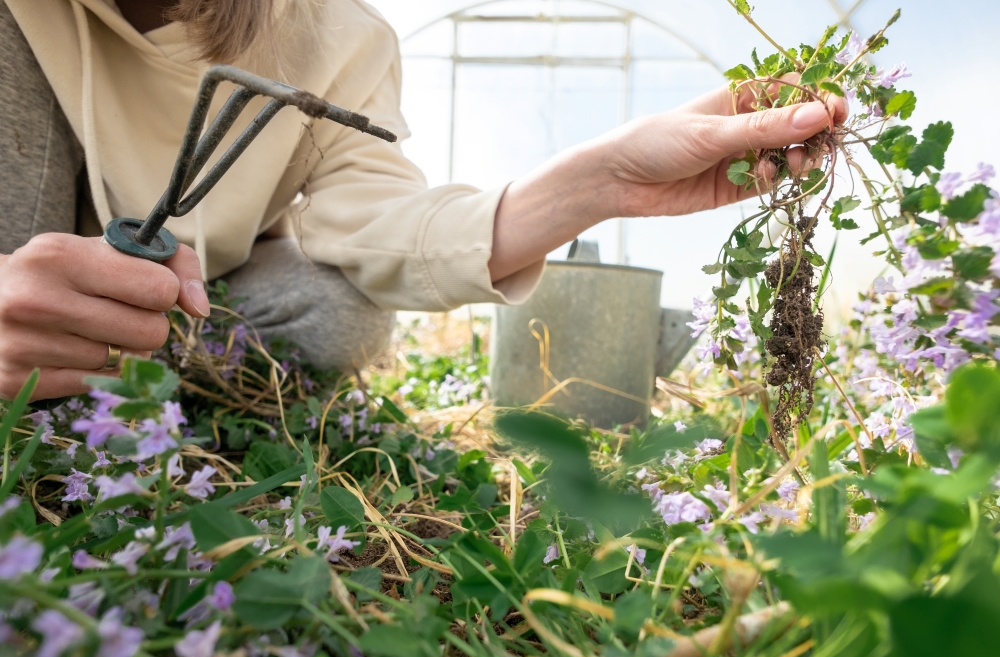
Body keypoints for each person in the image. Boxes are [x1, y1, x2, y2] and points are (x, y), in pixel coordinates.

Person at [0, 0, 845, 401]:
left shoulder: (333, 37)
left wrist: (603, 181)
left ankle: (129, 384)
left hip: (181, 304)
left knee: (339, 307)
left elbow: (380, 223)